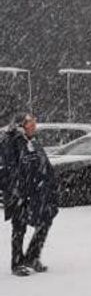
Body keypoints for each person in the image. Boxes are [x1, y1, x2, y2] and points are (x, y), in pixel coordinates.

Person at [1, 113, 58, 277]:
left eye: (34, 123)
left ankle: (32, 256)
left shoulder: (33, 141)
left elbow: (44, 164)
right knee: (20, 226)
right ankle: (17, 263)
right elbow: (7, 169)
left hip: (39, 191)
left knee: (46, 219)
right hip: (20, 192)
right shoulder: (10, 143)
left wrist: (50, 183)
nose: (34, 126)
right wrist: (15, 187)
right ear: (21, 126)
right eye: (30, 124)